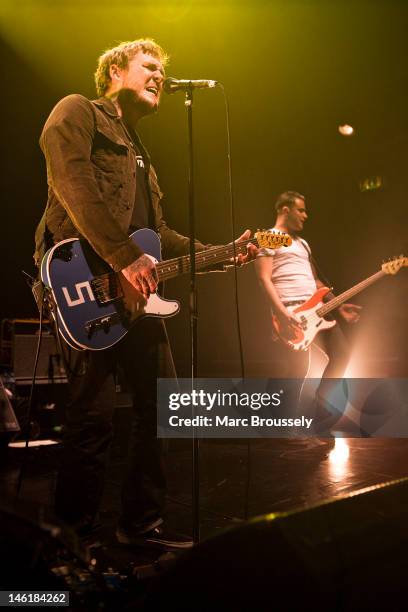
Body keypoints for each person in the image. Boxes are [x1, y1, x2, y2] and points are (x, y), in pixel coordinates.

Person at [33, 39, 257, 550]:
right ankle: (72, 547)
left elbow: (157, 235)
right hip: (84, 280)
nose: (159, 76)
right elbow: (73, 184)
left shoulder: (139, 153)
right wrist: (122, 256)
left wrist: (225, 251)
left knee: (165, 407)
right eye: (149, 66)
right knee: (91, 423)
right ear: (115, 70)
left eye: (162, 70)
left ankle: (141, 528)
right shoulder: (77, 111)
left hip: (135, 291)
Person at [255, 191, 361, 430]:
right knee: (296, 369)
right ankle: (277, 424)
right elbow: (263, 279)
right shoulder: (269, 237)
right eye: (301, 209)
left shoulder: (303, 244)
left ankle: (321, 415)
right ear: (285, 209)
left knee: (342, 354)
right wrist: (281, 313)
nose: (305, 215)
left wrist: (340, 305)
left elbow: (317, 283)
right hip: (291, 313)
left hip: (317, 312)